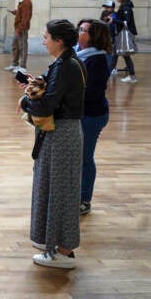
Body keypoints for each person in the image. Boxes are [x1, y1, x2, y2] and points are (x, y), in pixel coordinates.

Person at [18, 19, 85, 269]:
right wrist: (32, 86)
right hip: (60, 132)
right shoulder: (65, 62)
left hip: (63, 133)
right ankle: (54, 243)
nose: (43, 41)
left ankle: (63, 251)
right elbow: (52, 94)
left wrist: (26, 101)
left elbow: (48, 105)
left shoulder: (67, 65)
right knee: (53, 187)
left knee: (61, 192)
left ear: (59, 40)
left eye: (46, 37)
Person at [75, 19, 111, 216]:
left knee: (85, 159)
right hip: (83, 113)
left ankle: (84, 199)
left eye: (83, 30)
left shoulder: (98, 60)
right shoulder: (80, 53)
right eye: (79, 29)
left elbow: (90, 92)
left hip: (92, 115)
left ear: (94, 37)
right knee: (79, 157)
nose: (79, 33)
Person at [5, 0, 32, 73]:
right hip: (18, 28)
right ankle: (15, 64)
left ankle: (23, 67)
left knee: (22, 47)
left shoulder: (26, 2)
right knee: (15, 46)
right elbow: (21, 14)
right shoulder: (22, 1)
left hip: (22, 29)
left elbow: (26, 18)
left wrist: (19, 29)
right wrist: (15, 12)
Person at [114, 0, 138, 83]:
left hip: (126, 33)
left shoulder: (126, 7)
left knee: (125, 54)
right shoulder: (124, 6)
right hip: (122, 33)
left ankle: (132, 76)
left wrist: (114, 20)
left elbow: (126, 22)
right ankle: (128, 72)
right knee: (120, 53)